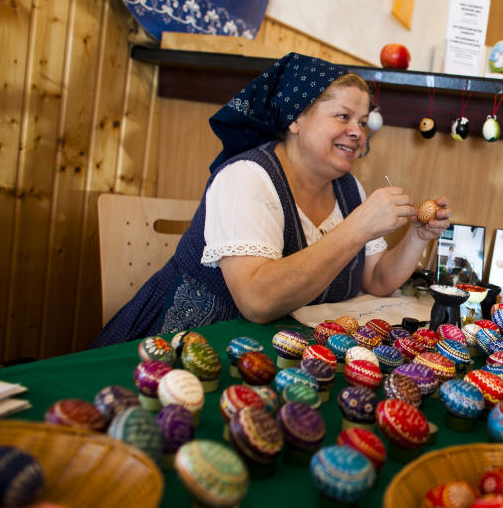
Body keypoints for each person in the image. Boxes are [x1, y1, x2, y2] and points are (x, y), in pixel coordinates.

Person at [93, 53, 450, 346]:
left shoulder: (349, 188)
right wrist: (357, 228)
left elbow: (377, 280)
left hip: (276, 350)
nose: (358, 132)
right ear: (296, 119)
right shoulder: (246, 177)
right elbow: (257, 301)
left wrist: (417, 237)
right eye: (343, 116)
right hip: (185, 346)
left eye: (363, 120)